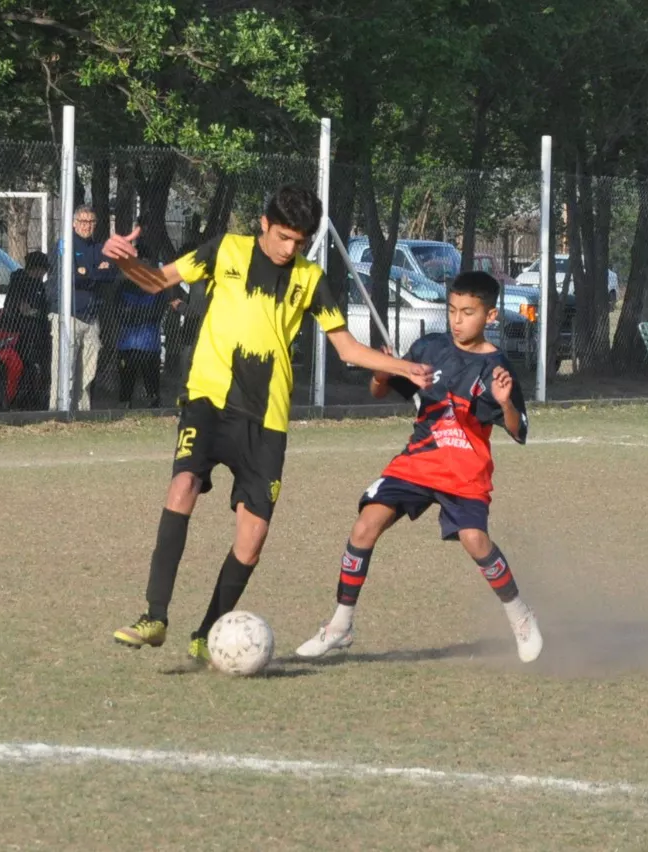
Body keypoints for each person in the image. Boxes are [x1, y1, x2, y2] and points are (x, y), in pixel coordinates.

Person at [105, 185, 434, 665]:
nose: (289, 249)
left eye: (299, 242)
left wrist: (403, 367)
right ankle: (155, 615)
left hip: (268, 417)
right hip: (209, 396)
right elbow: (157, 281)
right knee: (182, 486)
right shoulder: (224, 250)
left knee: (252, 540)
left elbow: (344, 347)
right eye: (283, 237)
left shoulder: (310, 278)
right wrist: (122, 262)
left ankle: (204, 635)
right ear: (264, 223)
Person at [294, 270, 542, 664]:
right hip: (418, 459)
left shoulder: (497, 367)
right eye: (452, 310)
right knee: (365, 525)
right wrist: (386, 368)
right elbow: (379, 390)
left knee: (476, 541)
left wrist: (506, 401)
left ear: (490, 317)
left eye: (468, 312)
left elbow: (519, 431)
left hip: (464, 468)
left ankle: (521, 616)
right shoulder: (429, 347)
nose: (457, 320)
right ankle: (340, 626)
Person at [48, 205, 115, 410]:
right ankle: (59, 410)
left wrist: (87, 271)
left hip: (91, 317)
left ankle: (82, 412)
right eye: (83, 222)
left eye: (91, 222)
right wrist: (93, 272)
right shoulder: (64, 244)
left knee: (88, 370)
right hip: (68, 315)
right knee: (64, 368)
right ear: (74, 223)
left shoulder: (99, 247)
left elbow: (110, 274)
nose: (87, 226)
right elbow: (69, 275)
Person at [0, 251, 52, 408]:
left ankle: (33, 397)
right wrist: (25, 309)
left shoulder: (39, 285)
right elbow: (14, 307)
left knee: (37, 366)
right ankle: (21, 399)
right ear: (35, 268)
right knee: (25, 365)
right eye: (41, 270)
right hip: (22, 332)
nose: (42, 274)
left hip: (38, 331)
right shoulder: (19, 282)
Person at [115, 280, 171, 409]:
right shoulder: (123, 287)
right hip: (127, 343)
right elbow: (119, 313)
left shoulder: (157, 287)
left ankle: (153, 403)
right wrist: (141, 314)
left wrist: (133, 313)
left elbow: (156, 313)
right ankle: (125, 404)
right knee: (126, 378)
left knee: (151, 378)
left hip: (149, 343)